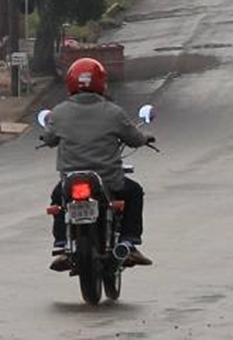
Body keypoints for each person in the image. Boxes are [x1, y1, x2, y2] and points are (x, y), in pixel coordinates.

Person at [40, 57, 154, 271]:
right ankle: (129, 241)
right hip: (108, 181)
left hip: (70, 180)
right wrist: (145, 137)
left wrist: (49, 137)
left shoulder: (59, 112)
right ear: (101, 83)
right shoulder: (113, 112)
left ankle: (62, 244)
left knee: (58, 199)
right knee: (134, 191)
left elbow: (48, 139)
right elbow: (135, 138)